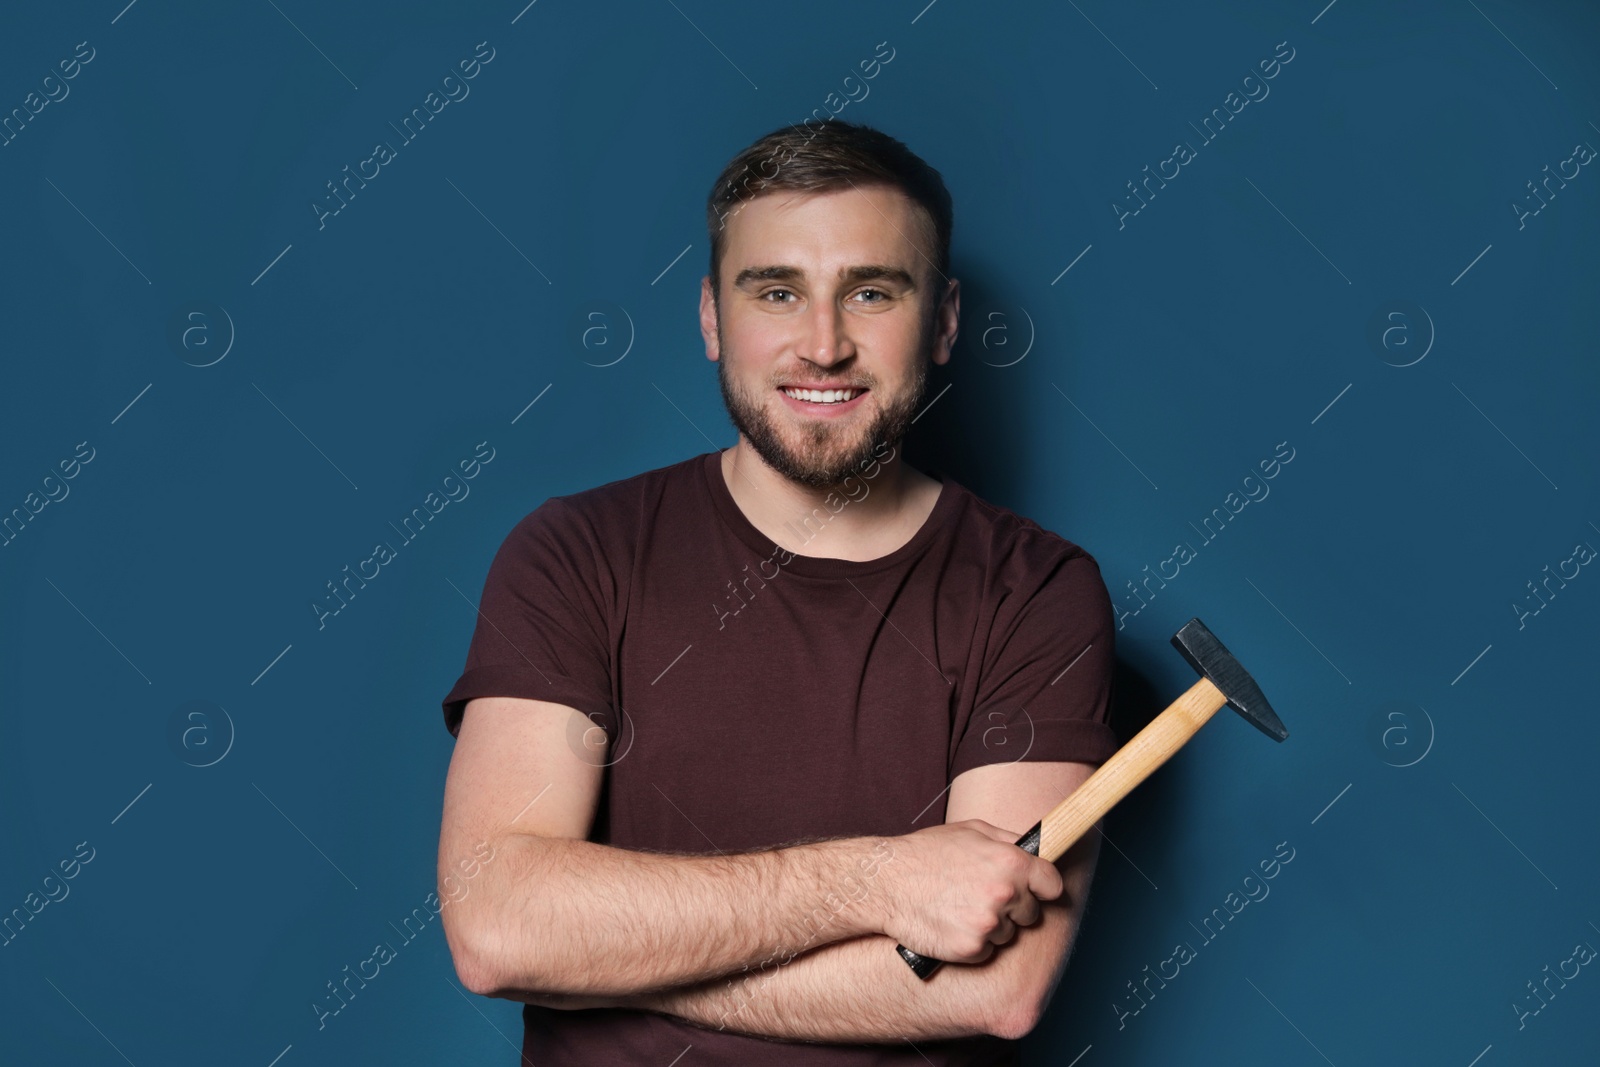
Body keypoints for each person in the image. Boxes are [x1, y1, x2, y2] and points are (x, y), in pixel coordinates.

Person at [437, 119, 1120, 1066]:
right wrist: (874, 881)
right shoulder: (576, 553)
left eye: (872, 291)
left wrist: (615, 954)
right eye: (777, 291)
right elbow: (499, 925)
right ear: (714, 318)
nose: (824, 344)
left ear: (947, 320)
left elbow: (995, 987)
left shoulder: (1036, 592)